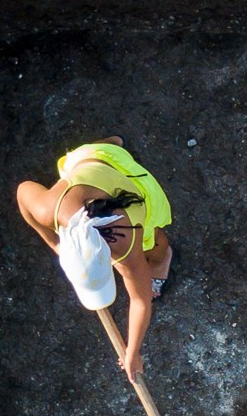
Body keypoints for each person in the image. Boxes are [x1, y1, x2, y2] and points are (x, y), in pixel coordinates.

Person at [16, 139, 174, 380]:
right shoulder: (48, 210)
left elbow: (140, 300)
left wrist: (133, 351)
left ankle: (161, 262)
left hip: (130, 183)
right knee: (102, 152)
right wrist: (53, 242)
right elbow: (23, 191)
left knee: (155, 245)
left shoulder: (126, 245)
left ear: (110, 257)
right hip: (88, 157)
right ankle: (112, 145)